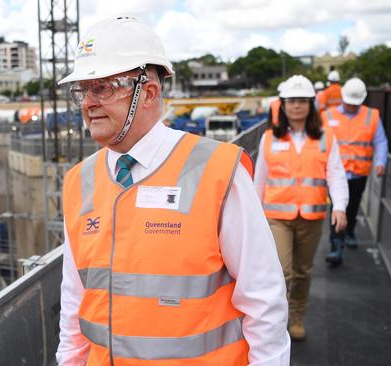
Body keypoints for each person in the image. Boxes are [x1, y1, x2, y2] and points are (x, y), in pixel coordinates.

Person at [56, 16, 290, 365]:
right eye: (83, 89)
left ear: (148, 92)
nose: (88, 102)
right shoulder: (78, 181)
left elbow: (263, 300)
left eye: (103, 87)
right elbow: (74, 300)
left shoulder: (217, 172)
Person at [254, 75, 349, 341]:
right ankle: (276, 320)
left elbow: (336, 174)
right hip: (277, 217)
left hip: (311, 216)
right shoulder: (269, 138)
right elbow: (259, 178)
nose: (296, 106)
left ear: (311, 105)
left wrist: (340, 207)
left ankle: (297, 316)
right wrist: (252, 215)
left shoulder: (326, 137)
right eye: (291, 101)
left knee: (303, 272)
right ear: (282, 105)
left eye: (302, 101)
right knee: (280, 271)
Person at [321, 77, 388, 264]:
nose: (351, 107)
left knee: (352, 207)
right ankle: (336, 246)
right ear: (342, 98)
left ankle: (349, 230)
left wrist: (380, 162)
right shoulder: (328, 116)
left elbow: (380, 141)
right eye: (349, 103)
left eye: (355, 104)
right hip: (334, 174)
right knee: (337, 208)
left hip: (358, 173)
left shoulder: (371, 116)